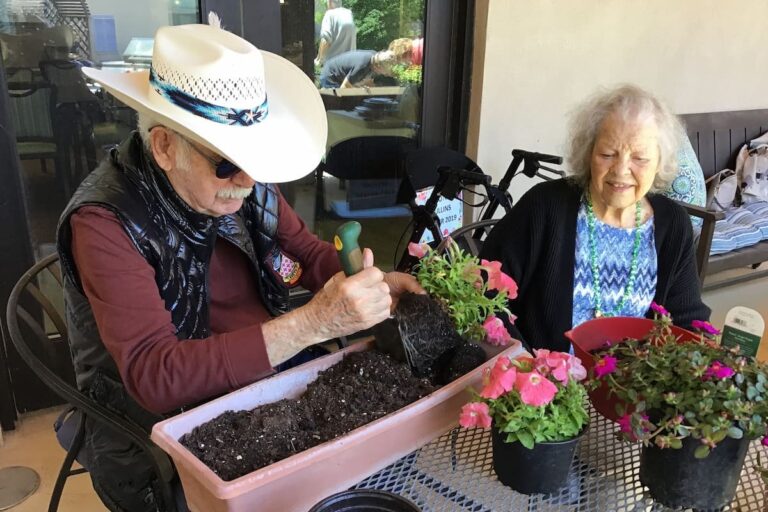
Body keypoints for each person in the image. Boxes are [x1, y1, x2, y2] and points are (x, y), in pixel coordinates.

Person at [55, 23, 422, 511]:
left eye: (256, 158)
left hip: (261, 381)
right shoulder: (105, 222)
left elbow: (304, 254)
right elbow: (154, 375)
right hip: (161, 425)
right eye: (226, 162)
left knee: (383, 443)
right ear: (164, 146)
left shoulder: (245, 181)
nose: (248, 180)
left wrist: (358, 278)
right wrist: (312, 323)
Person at [480, 84, 710, 353]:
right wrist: (531, 371)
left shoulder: (672, 224)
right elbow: (485, 298)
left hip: (628, 391)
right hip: (542, 385)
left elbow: (685, 322)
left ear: (659, 161)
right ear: (589, 153)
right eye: (608, 154)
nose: (621, 170)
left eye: (640, 158)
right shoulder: (544, 207)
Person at [319, 37, 413, 89]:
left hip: (339, 74)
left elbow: (365, 82)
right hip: (330, 76)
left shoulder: (374, 56)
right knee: (342, 104)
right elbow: (344, 88)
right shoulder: (362, 67)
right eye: (383, 72)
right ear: (378, 67)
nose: (382, 74)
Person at [314, 0, 356, 68]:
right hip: (350, 63)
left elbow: (325, 40)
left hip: (334, 66)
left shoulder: (330, 14)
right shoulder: (348, 13)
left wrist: (319, 60)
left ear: (330, 2)